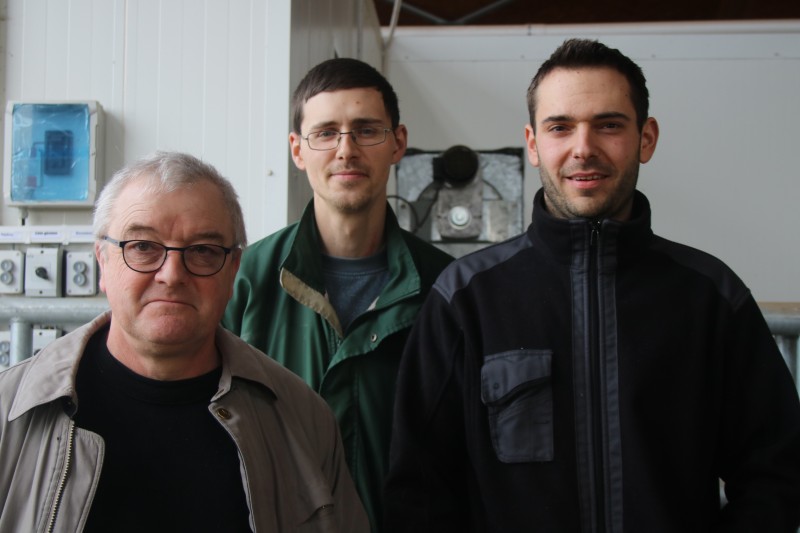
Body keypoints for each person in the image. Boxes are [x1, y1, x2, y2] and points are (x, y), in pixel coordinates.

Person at [385, 38, 800, 532]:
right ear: (533, 144)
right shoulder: (464, 299)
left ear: (646, 138)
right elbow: (419, 491)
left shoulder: (711, 297)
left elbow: (777, 473)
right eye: (560, 127)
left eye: (608, 125)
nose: (583, 148)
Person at [0, 151, 369, 532]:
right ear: (102, 261)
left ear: (233, 270)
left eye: (203, 251)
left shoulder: (304, 420)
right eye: (143, 247)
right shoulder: (8, 413)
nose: (172, 274)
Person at [222, 58, 453, 531]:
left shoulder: (446, 286)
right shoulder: (243, 279)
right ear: (297, 150)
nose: (346, 150)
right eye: (325, 133)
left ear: (398, 143)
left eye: (366, 130)